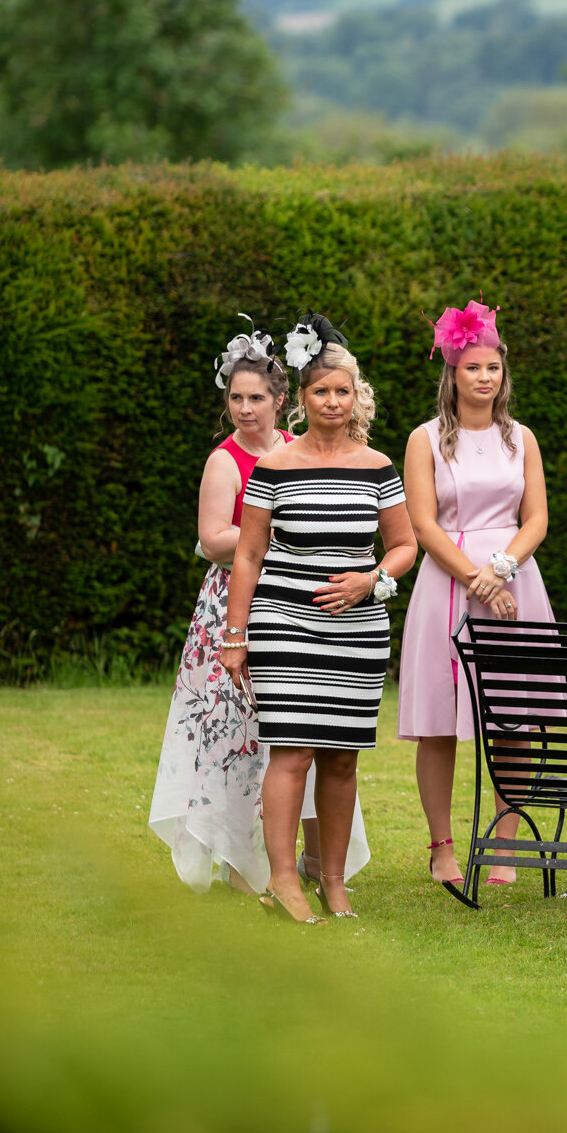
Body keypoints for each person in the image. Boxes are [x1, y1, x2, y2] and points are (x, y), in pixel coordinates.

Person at [149, 324, 369, 894]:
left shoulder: (299, 449)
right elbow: (213, 538)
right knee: (245, 741)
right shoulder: (224, 461)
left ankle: (320, 863)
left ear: (281, 401)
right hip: (237, 602)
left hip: (307, 599)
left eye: (257, 398)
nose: (245, 409)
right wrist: (278, 537)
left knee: (315, 731)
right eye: (236, 398)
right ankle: (244, 866)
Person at [222, 315, 417, 925]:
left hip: (358, 630)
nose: (333, 401)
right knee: (293, 751)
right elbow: (249, 552)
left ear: (356, 396)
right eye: (320, 390)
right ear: (301, 399)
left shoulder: (378, 466)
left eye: (343, 390)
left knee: (342, 757)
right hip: (283, 621)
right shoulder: (274, 466)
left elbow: (405, 546)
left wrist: (371, 581)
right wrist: (235, 635)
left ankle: (333, 882)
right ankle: (284, 879)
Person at [399, 301, 553, 890]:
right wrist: (477, 578)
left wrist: (504, 568)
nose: (484, 378)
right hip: (448, 584)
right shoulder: (425, 440)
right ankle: (442, 848)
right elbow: (424, 523)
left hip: (516, 582)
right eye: (473, 368)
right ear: (452, 374)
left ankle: (504, 843)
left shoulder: (523, 440)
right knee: (439, 723)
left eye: (493, 368)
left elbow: (536, 518)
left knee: (513, 720)